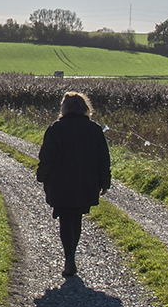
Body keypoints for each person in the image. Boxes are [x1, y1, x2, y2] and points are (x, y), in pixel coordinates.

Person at [36, 91, 111, 278]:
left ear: (65, 107)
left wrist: (42, 176)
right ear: (85, 107)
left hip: (61, 182)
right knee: (77, 218)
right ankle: (72, 255)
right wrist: (104, 181)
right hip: (85, 182)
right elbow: (103, 158)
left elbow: (46, 157)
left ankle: (68, 256)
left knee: (65, 218)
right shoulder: (94, 129)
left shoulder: (55, 129)